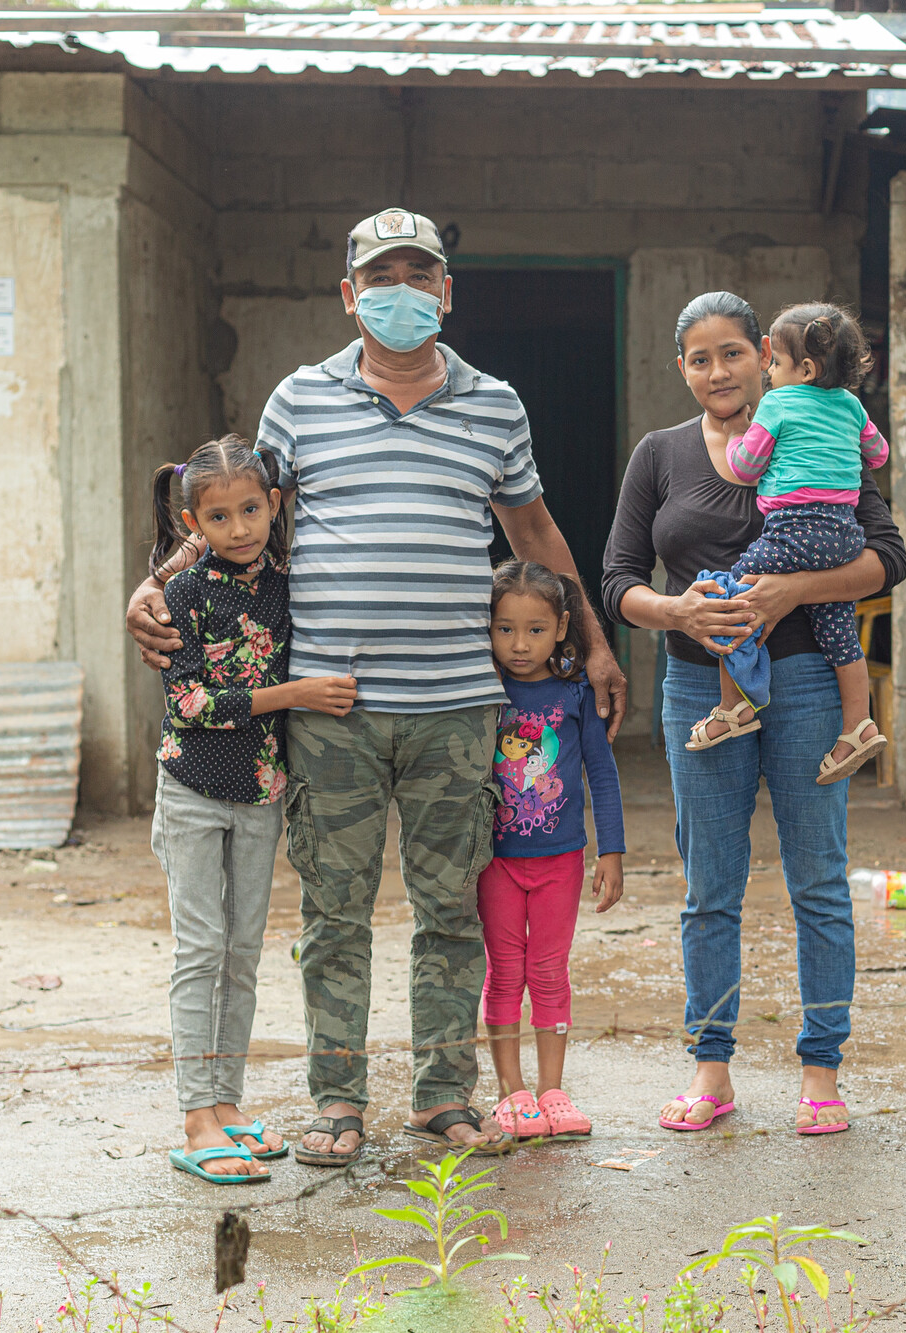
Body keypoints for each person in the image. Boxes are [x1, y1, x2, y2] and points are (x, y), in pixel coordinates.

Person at [126, 208, 628, 1165]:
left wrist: (593, 641)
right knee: (334, 917)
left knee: (450, 914)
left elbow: (535, 534)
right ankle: (338, 1101)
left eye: (420, 274)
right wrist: (156, 581)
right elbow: (240, 519)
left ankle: (443, 1097)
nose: (403, 291)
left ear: (447, 291)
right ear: (351, 296)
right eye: (382, 276)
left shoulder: (496, 403)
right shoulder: (297, 401)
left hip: (455, 710)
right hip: (332, 712)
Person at [602, 291, 906, 1136]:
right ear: (683, 370)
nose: (719, 372)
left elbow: (888, 557)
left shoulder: (815, 424)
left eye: (734, 353)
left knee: (817, 878)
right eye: (700, 359)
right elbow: (617, 577)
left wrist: (791, 591)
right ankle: (712, 1068)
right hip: (699, 687)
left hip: (807, 679)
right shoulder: (659, 455)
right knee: (711, 885)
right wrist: (676, 613)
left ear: (765, 354)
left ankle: (822, 1070)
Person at [146, 436, 357, 1184]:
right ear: (190, 522)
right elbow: (193, 702)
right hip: (194, 788)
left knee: (240, 952)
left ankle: (227, 1102)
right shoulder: (183, 595)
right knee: (199, 949)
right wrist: (295, 695)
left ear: (274, 504)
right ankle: (195, 1112)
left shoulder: (286, 584)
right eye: (218, 516)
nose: (239, 528)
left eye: (250, 509)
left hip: (261, 790)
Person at [686, 303, 889, 786]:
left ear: (806, 369)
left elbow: (746, 468)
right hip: (842, 534)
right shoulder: (852, 404)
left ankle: (733, 708)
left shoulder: (777, 404)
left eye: (774, 363)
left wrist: (738, 435)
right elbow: (877, 454)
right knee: (839, 631)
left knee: (731, 598)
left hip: (794, 530)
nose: (768, 371)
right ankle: (858, 726)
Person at [480, 561, 625, 1140]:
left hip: (561, 859)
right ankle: (511, 1092)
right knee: (504, 973)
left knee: (549, 971)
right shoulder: (482, 691)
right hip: (496, 861)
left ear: (563, 626)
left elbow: (603, 774)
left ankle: (552, 1091)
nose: (520, 645)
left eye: (536, 630)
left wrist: (610, 851)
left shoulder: (575, 695)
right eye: (505, 629)